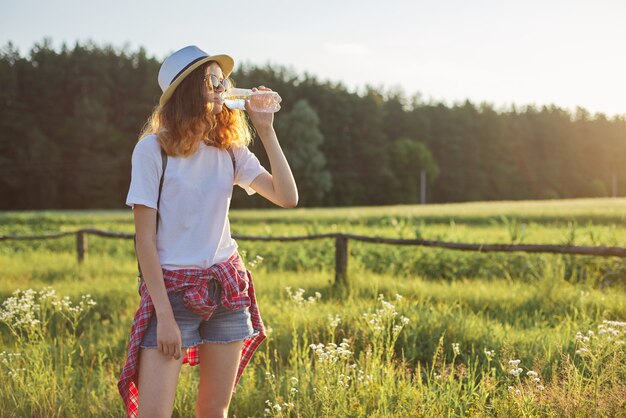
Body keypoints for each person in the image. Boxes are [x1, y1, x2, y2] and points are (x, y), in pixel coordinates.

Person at [117, 45, 298, 418]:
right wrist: (165, 317)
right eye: (212, 80)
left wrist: (266, 131)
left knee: (214, 410)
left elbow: (287, 197)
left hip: (226, 287)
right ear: (186, 91)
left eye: (223, 80)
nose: (222, 87)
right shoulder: (152, 151)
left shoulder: (230, 150)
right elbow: (144, 242)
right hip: (172, 292)